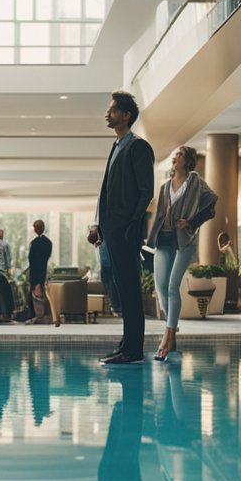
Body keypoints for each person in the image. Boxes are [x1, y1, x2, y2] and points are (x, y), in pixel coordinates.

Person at [96, 90, 154, 364]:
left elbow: (146, 192)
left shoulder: (138, 147)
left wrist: (131, 226)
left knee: (130, 289)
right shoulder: (117, 145)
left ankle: (133, 350)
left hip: (125, 232)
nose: (107, 113)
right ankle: (126, 345)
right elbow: (108, 190)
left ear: (126, 115)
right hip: (112, 231)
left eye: (112, 110)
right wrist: (100, 225)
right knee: (121, 289)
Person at [146, 145, 217, 361]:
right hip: (164, 239)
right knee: (160, 289)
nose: (174, 157)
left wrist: (192, 222)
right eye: (174, 155)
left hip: (184, 241)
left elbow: (212, 203)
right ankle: (173, 335)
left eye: (178, 155)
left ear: (187, 161)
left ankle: (167, 337)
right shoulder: (165, 186)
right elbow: (159, 214)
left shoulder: (196, 183)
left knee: (171, 287)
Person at [27, 219, 52, 292]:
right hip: (42, 271)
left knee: (34, 293)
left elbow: (30, 258)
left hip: (34, 273)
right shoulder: (48, 242)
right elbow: (47, 256)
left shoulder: (34, 243)